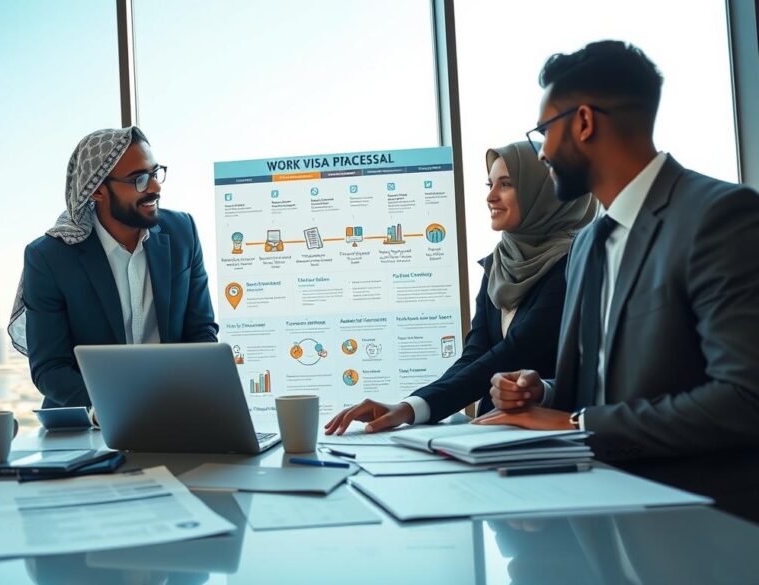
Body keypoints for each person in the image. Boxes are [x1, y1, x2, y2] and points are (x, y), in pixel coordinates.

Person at [473, 40, 759, 520]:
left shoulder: (720, 217)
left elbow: (743, 397)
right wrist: (541, 391)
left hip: (698, 531)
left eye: (544, 130)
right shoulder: (586, 244)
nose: (541, 151)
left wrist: (579, 422)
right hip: (594, 519)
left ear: (584, 123)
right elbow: (605, 387)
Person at [324, 141, 596, 435]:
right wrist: (410, 405)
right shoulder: (500, 264)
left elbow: (515, 352)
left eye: (506, 184)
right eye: (489, 184)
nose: (490, 196)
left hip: (555, 438)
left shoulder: (573, 262)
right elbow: (475, 354)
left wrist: (407, 409)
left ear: (542, 191)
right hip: (494, 433)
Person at [7, 126, 218, 409]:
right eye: (139, 179)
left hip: (176, 409)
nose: (155, 187)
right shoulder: (50, 257)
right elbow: (50, 369)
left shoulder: (182, 232)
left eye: (155, 173)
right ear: (96, 191)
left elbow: (201, 331)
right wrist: (117, 408)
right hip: (90, 419)